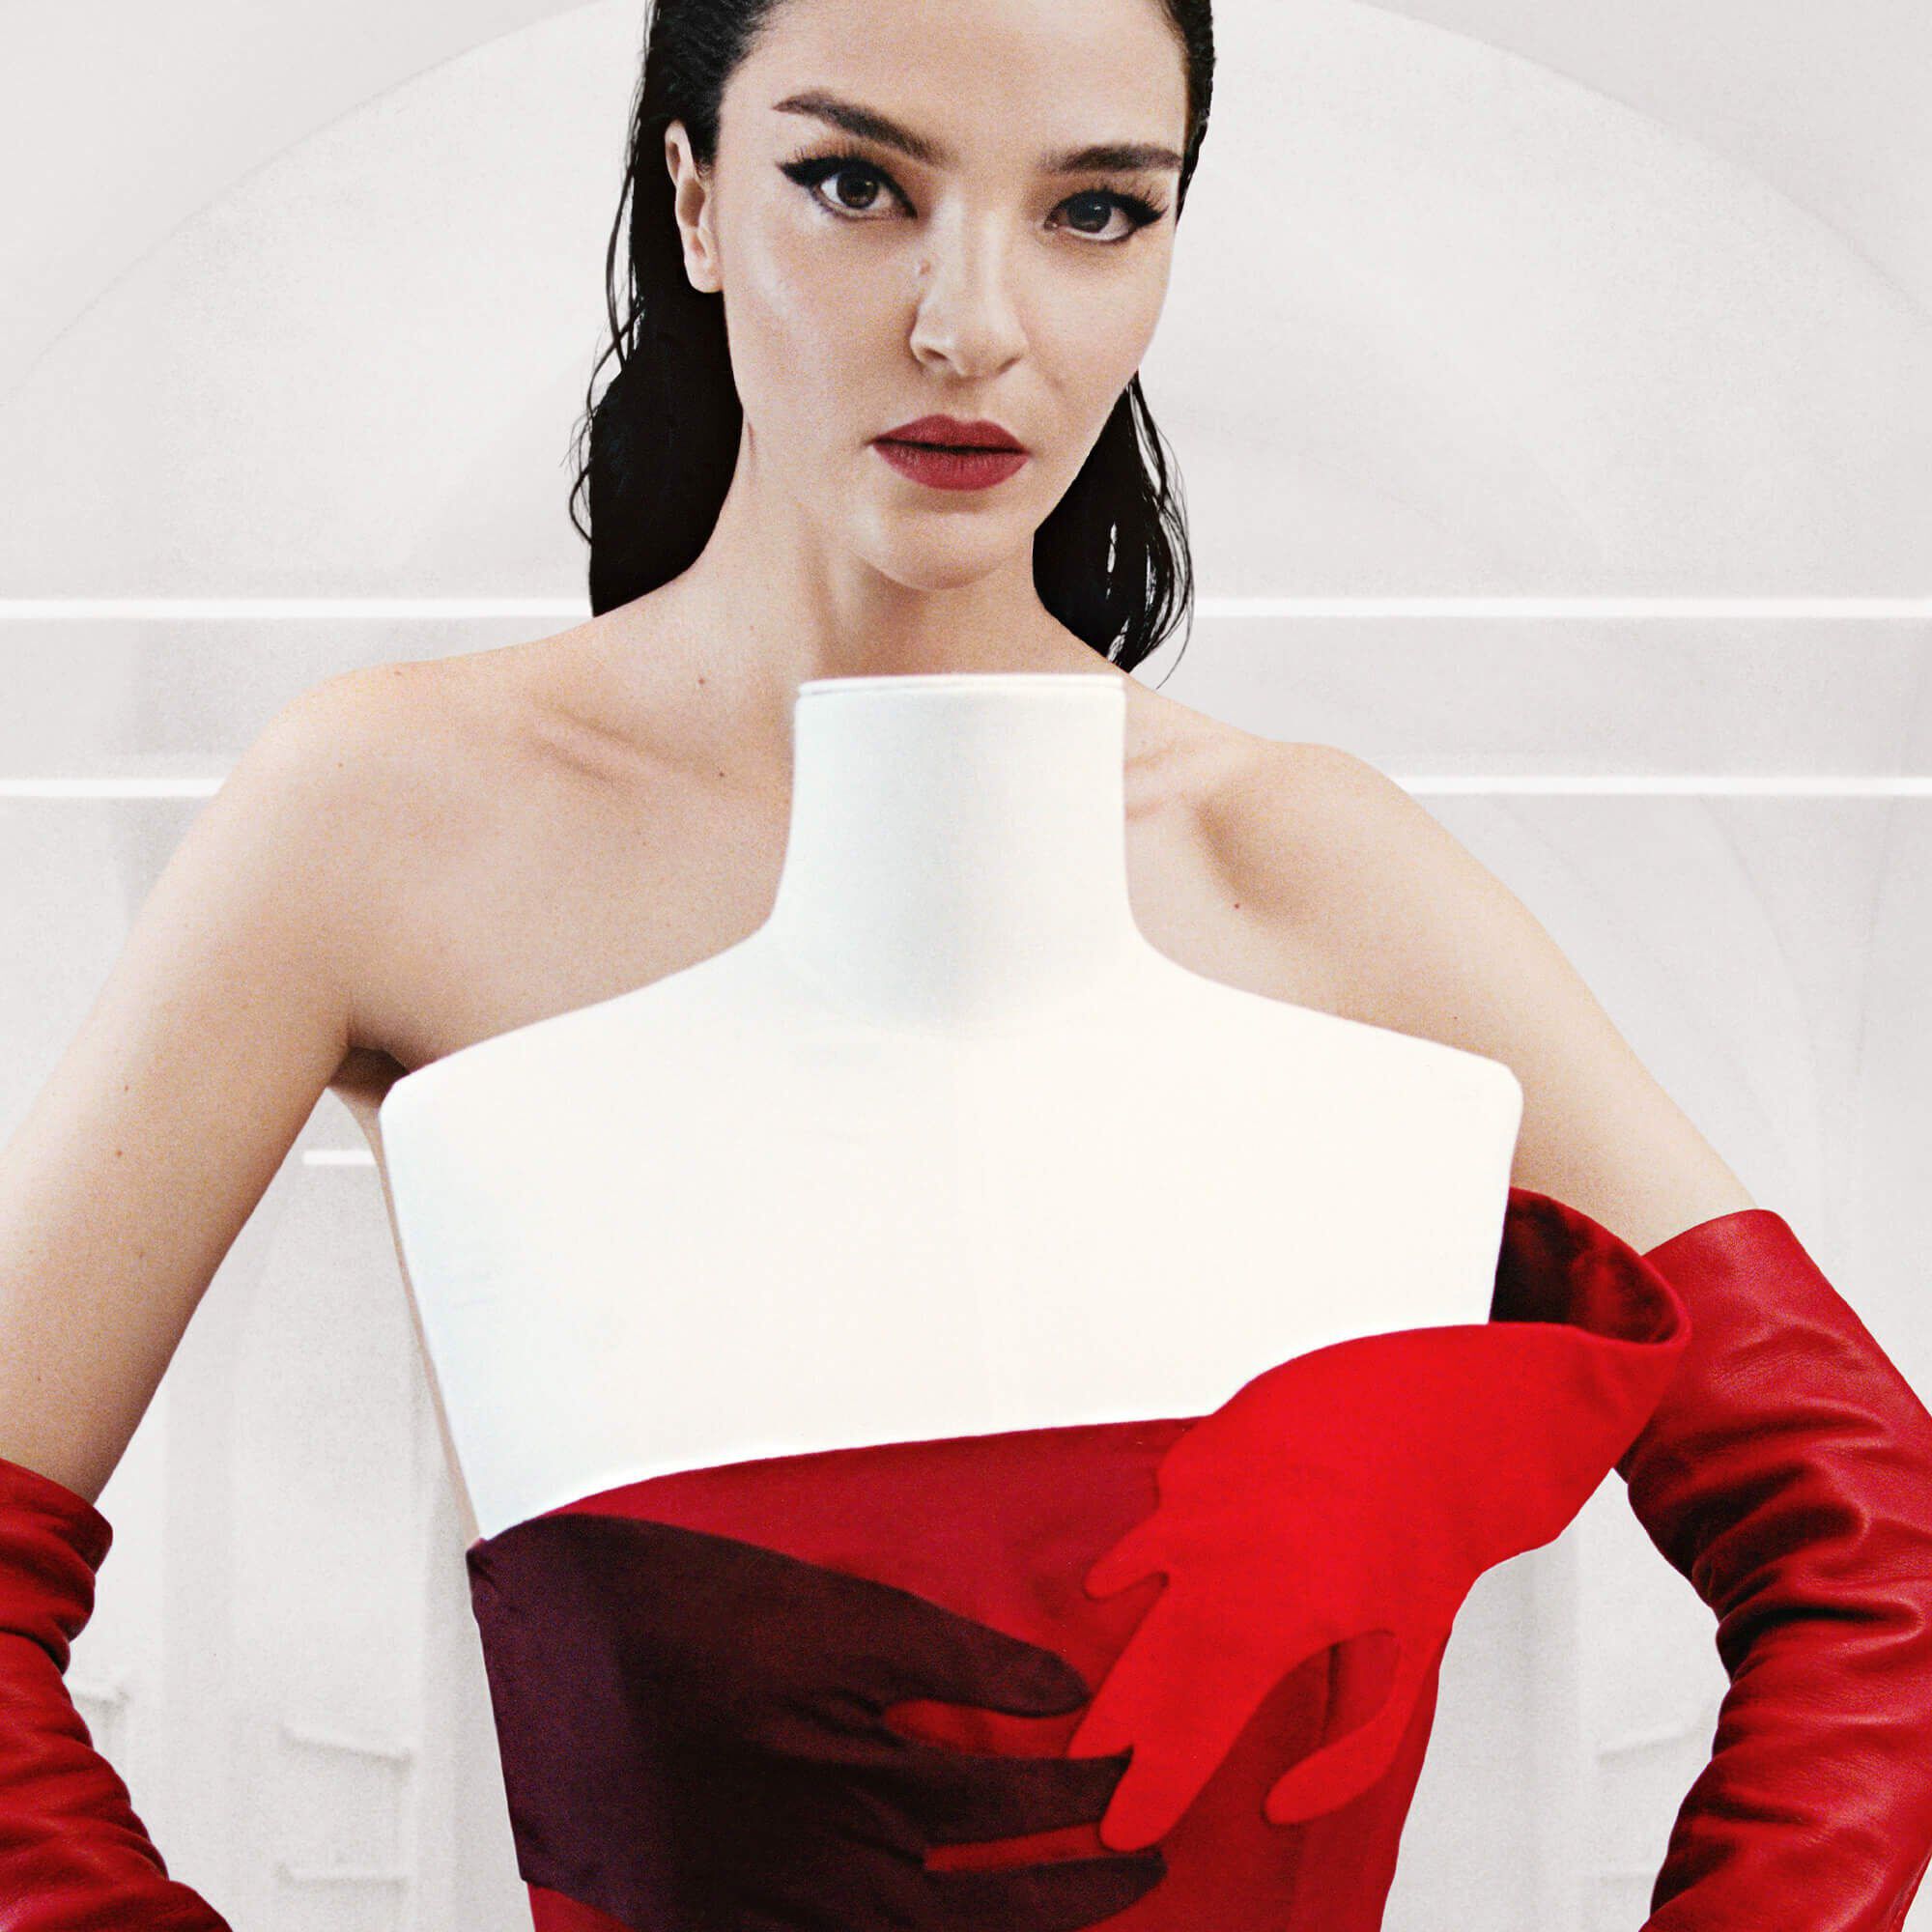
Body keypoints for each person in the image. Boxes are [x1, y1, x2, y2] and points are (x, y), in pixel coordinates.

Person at [3, 0, 1932, 1924]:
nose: (971, 322)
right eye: (855, 184)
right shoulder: (387, 815)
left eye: (1092, 209)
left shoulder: (1303, 868)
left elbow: (1874, 1552)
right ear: (690, 198)